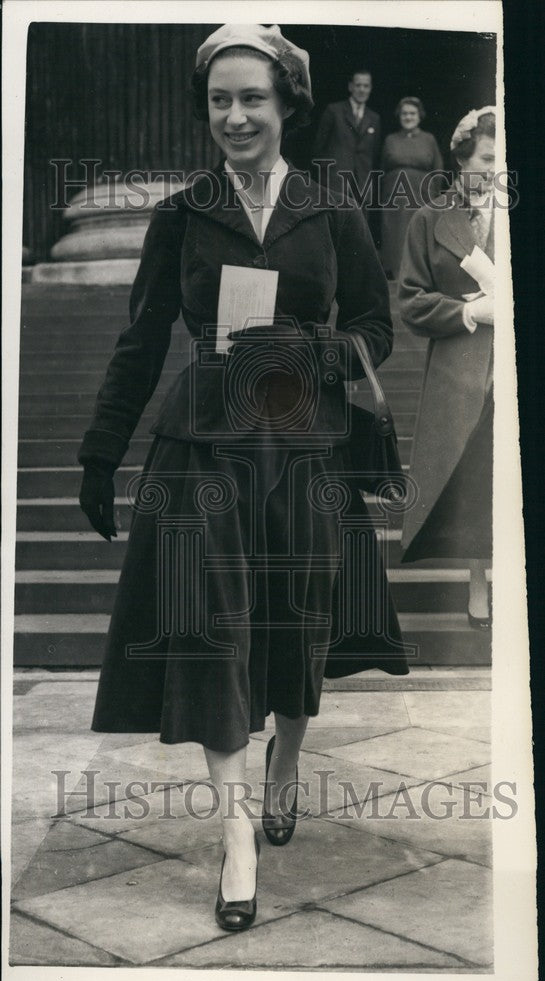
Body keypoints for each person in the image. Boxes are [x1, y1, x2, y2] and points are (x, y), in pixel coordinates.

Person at [78, 23, 408, 933]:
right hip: (205, 451)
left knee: (297, 624)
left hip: (306, 447)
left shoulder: (331, 206)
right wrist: (100, 450)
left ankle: (287, 763)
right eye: (219, 99)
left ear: (287, 106)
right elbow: (143, 339)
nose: (234, 115)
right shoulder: (179, 214)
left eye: (251, 98)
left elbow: (376, 328)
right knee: (213, 634)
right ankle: (234, 838)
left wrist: (318, 349)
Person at [398, 107, 495, 628]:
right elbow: (410, 300)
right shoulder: (430, 218)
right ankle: (478, 584)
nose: (495, 169)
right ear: (461, 158)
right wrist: (466, 311)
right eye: (485, 159)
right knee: (475, 477)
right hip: (461, 366)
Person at [380, 97, 444, 279]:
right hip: (395, 197)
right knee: (396, 235)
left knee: (419, 233)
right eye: (404, 113)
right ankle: (396, 275)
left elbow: (438, 168)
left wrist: (433, 196)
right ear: (399, 116)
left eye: (412, 113)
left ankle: (418, 277)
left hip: (421, 195)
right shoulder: (390, 139)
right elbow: (382, 168)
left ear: (420, 116)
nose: (408, 117)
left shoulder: (428, 139)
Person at [312, 69, 381, 206]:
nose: (362, 90)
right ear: (350, 87)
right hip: (336, 181)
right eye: (358, 85)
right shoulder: (334, 111)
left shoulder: (374, 118)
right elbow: (318, 148)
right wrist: (326, 178)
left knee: (359, 224)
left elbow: (375, 153)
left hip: (362, 184)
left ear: (370, 88)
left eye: (366, 86)